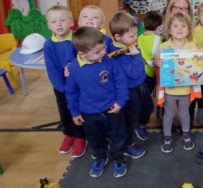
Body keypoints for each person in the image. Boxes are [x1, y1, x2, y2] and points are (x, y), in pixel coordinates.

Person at [65, 27, 129, 178]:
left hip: (113, 109)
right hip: (90, 113)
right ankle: (101, 157)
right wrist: (74, 112)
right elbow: (71, 92)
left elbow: (121, 82)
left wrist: (120, 102)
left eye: (103, 48)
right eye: (97, 52)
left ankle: (119, 159)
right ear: (82, 54)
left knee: (118, 136)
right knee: (95, 138)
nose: (103, 53)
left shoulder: (110, 62)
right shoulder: (74, 68)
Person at [44, 5, 86, 158]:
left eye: (63, 20)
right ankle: (69, 133)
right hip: (61, 87)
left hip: (79, 85)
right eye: (54, 21)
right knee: (65, 111)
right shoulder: (48, 45)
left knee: (79, 111)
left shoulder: (77, 39)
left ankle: (81, 136)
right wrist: (62, 87)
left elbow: (83, 58)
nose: (59, 24)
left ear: (71, 22)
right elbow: (52, 69)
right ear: (49, 25)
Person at [155, 12, 199, 153]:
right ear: (169, 29)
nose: (179, 29)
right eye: (175, 26)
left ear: (188, 29)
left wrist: (201, 60)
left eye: (183, 26)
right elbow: (157, 62)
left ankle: (186, 133)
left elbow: (198, 66)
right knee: (168, 114)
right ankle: (167, 137)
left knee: (185, 113)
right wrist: (157, 62)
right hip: (169, 89)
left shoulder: (193, 47)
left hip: (186, 89)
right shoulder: (163, 47)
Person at [108, 11, 148, 159]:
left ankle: (127, 139)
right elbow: (134, 74)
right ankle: (127, 145)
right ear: (118, 37)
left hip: (134, 88)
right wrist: (137, 56)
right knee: (129, 119)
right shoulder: (119, 54)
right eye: (131, 36)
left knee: (134, 116)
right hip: (128, 92)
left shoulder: (126, 46)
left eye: (136, 34)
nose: (135, 38)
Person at [137, 11, 163, 139]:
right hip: (155, 73)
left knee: (144, 99)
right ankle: (141, 124)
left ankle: (141, 124)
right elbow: (155, 55)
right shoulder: (159, 38)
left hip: (144, 73)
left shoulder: (140, 37)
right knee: (149, 100)